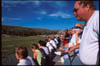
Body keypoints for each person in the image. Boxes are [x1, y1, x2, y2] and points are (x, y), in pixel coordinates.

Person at [73, 0, 99, 65]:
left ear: (87, 7)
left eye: (76, 10)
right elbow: (89, 43)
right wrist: (74, 47)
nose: (74, 13)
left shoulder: (97, 18)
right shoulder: (87, 23)